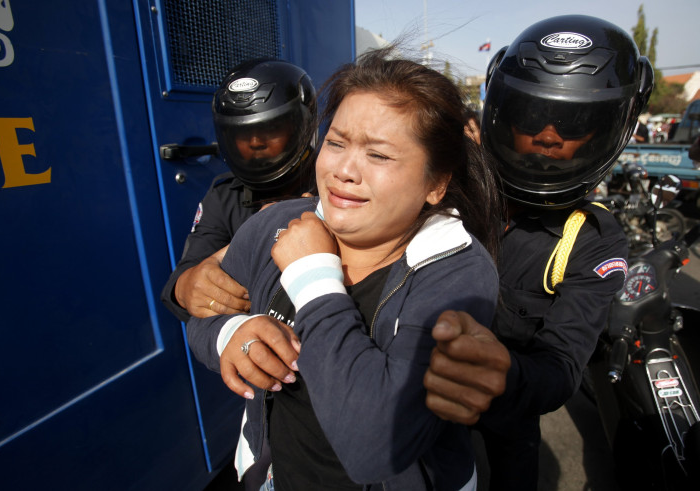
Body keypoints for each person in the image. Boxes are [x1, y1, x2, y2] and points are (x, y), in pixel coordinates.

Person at [187, 46, 503, 490]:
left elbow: (376, 446)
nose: (343, 170)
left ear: (437, 183)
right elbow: (202, 312)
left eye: (379, 155)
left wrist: (314, 276)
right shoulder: (275, 225)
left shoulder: (457, 274)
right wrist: (229, 335)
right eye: (335, 143)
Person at [423, 15, 652, 490]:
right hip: (424, 393)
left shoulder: (592, 238)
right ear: (501, 116)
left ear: (609, 129)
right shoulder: (449, 188)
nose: (548, 135)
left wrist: (505, 374)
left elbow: (564, 362)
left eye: (574, 123)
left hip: (512, 402)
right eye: (531, 118)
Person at [161, 59, 316, 322]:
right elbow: (182, 278)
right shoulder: (225, 196)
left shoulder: (333, 186)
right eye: (243, 135)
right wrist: (189, 287)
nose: (255, 142)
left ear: (301, 128)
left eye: (271, 128)